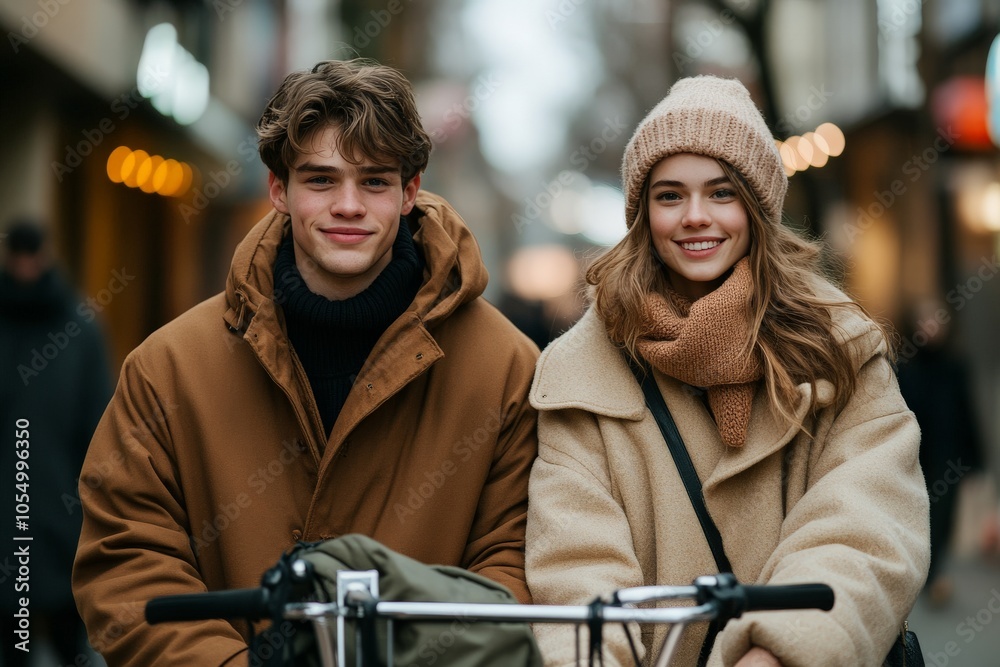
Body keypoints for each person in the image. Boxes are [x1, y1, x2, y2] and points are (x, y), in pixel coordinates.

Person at [73, 59, 539, 667]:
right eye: (321, 180)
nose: (348, 205)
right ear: (278, 189)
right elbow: (128, 563)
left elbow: (515, 565)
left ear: (410, 191)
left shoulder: (506, 370)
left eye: (374, 181)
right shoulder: (167, 369)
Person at [525, 76, 929, 667]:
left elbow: (865, 531)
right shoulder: (578, 375)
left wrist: (775, 651)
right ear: (642, 213)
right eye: (669, 196)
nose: (694, 217)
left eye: (721, 193)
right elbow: (577, 575)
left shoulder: (839, 350)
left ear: (758, 206)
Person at [0, 219, 113, 667]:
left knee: (72, 644)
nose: (26, 265)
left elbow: (99, 424)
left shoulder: (79, 328)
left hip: (63, 516)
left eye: (33, 254)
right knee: (15, 644)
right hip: (9, 516)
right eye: (19, 255)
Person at [896, 299, 984, 607]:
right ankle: (926, 577)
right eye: (926, 319)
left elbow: (967, 413)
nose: (932, 326)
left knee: (943, 520)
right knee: (920, 516)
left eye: (937, 319)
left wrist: (977, 460)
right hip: (916, 457)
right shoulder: (905, 367)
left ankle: (933, 576)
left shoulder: (955, 366)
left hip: (950, 457)